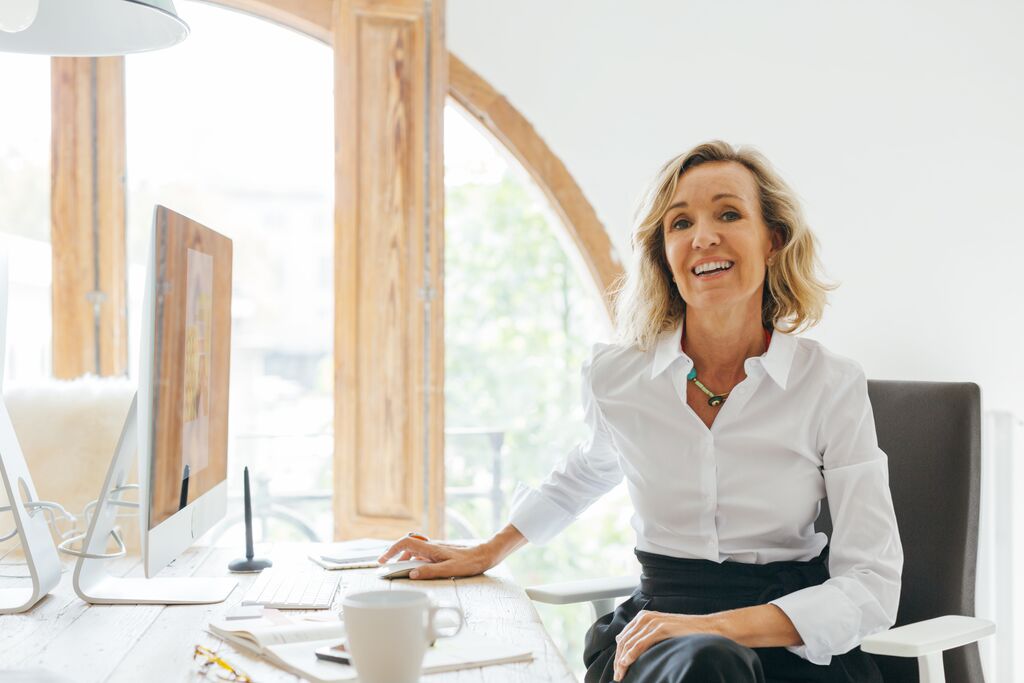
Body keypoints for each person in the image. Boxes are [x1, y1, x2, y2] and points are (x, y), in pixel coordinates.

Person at [377, 140, 903, 683]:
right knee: (703, 663)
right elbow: (587, 470)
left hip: (787, 636)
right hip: (659, 635)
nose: (704, 237)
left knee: (712, 655)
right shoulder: (618, 377)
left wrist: (722, 627)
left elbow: (872, 581)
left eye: (728, 213)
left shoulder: (830, 384)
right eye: (680, 223)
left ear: (772, 239)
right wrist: (488, 550)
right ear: (663, 252)